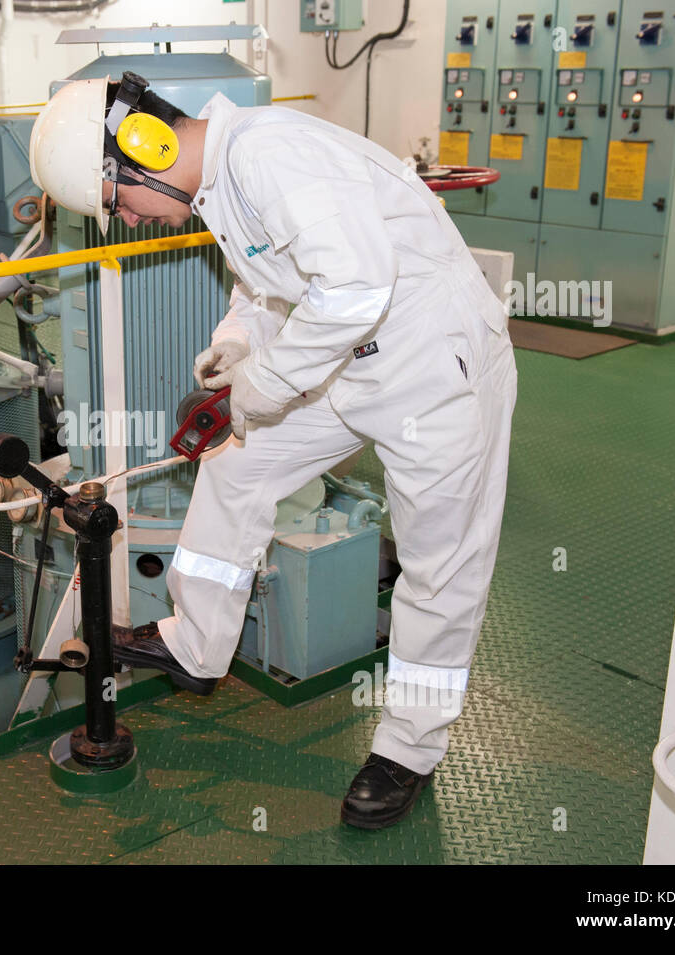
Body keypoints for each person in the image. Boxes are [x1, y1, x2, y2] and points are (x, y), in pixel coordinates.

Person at [28, 72, 517, 829]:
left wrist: (264, 386)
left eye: (120, 200)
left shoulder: (270, 155)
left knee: (439, 569)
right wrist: (234, 348)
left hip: (434, 367)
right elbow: (266, 289)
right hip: (349, 364)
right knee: (236, 464)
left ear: (144, 148)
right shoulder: (220, 183)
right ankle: (196, 643)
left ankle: (408, 751)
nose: (130, 219)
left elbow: (355, 288)